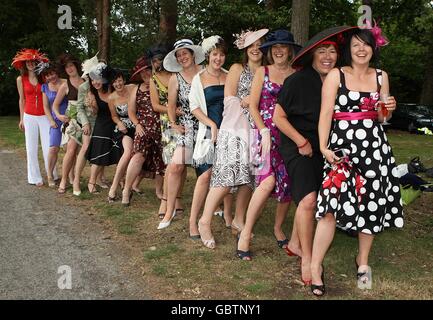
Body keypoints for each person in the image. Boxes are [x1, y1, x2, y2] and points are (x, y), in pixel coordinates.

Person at [310, 27, 403, 296]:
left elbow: (383, 119)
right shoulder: (336, 75)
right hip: (341, 151)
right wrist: (323, 147)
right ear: (348, 50)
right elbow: (326, 112)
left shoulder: (381, 77)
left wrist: (388, 111)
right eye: (356, 46)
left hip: (374, 149)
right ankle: (316, 266)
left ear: (374, 49)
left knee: (371, 206)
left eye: (366, 45)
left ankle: (362, 262)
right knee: (329, 205)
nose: (361, 50)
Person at [274, 26, 356, 284]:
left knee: (321, 199)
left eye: (332, 51)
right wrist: (300, 142)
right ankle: (307, 259)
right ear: (311, 55)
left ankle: (296, 243)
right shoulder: (297, 80)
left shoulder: (340, 80)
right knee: (308, 201)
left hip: (327, 146)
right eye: (322, 51)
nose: (328, 56)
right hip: (298, 144)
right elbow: (278, 117)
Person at [197, 29, 268, 247]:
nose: (256, 49)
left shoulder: (266, 72)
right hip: (235, 128)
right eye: (251, 45)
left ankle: (239, 219)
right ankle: (204, 220)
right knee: (226, 179)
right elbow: (228, 98)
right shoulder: (238, 68)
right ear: (245, 49)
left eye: (259, 44)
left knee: (249, 179)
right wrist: (247, 100)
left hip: (258, 131)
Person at [236, 30, 300, 259]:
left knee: (286, 184)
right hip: (262, 135)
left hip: (287, 136)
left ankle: (278, 227)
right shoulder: (262, 72)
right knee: (267, 182)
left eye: (283, 46)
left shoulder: (297, 75)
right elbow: (253, 105)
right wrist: (263, 130)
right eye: (275, 47)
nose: (279, 50)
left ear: (290, 50)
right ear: (270, 51)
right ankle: (245, 233)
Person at [186, 35, 230, 244]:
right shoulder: (199, 78)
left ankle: (229, 216)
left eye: (221, 54)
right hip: (207, 132)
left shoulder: (230, 76)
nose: (218, 58)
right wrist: (212, 125)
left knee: (227, 176)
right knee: (205, 176)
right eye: (215, 54)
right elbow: (194, 106)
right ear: (208, 56)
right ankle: (194, 222)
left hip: (229, 133)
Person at [157, 39, 205, 230]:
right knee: (176, 165)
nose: (183, 57)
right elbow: (170, 105)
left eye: (185, 53)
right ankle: (170, 209)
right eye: (179, 55)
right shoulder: (175, 78)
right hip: (185, 126)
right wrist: (174, 124)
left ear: (193, 54)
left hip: (205, 125)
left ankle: (215, 206)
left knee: (206, 168)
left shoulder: (205, 72)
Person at [121, 56, 166, 206]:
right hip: (144, 128)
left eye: (147, 70)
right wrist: (137, 124)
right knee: (138, 156)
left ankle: (159, 191)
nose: (145, 74)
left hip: (163, 128)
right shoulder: (136, 89)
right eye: (142, 72)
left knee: (162, 162)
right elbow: (131, 112)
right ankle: (126, 190)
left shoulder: (162, 84)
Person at [148, 45, 186, 219]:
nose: (158, 63)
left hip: (185, 120)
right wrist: (171, 110)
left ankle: (177, 198)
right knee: (170, 163)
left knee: (183, 162)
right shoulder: (153, 80)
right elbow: (155, 106)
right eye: (155, 60)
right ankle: (165, 199)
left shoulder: (176, 75)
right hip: (167, 122)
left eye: (160, 59)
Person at [12, 48, 52, 186]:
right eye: (27, 61)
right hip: (29, 116)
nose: (30, 63)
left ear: (36, 62)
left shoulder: (43, 77)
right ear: (24, 63)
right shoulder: (20, 79)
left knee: (48, 147)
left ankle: (51, 175)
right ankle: (35, 178)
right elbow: (21, 100)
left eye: (32, 61)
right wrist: (22, 118)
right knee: (31, 148)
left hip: (44, 115)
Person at [85, 62, 122, 193]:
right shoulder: (92, 94)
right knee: (98, 155)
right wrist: (92, 106)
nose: (95, 82)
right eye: (93, 80)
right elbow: (95, 113)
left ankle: (121, 182)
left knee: (117, 153)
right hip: (101, 126)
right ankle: (91, 182)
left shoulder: (112, 89)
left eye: (98, 79)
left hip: (115, 124)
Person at [52, 54, 85, 194]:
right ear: (64, 70)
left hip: (85, 120)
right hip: (71, 121)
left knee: (81, 152)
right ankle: (64, 180)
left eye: (71, 65)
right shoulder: (65, 85)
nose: (70, 69)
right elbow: (55, 105)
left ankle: (75, 178)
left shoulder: (86, 81)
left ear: (76, 65)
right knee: (71, 150)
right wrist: (59, 116)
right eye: (67, 67)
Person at [107, 70, 135, 202]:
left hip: (139, 125)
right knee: (128, 152)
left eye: (119, 80)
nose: (118, 84)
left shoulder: (133, 88)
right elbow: (114, 116)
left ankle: (130, 186)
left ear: (124, 80)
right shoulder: (111, 98)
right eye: (114, 82)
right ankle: (113, 187)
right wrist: (119, 123)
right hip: (125, 128)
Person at [39, 62, 68, 187]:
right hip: (55, 121)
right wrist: (51, 120)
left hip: (69, 119)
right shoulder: (45, 87)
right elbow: (46, 107)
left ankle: (69, 176)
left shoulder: (66, 82)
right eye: (48, 76)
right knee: (53, 148)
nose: (51, 77)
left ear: (56, 72)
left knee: (69, 149)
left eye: (52, 74)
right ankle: (50, 175)